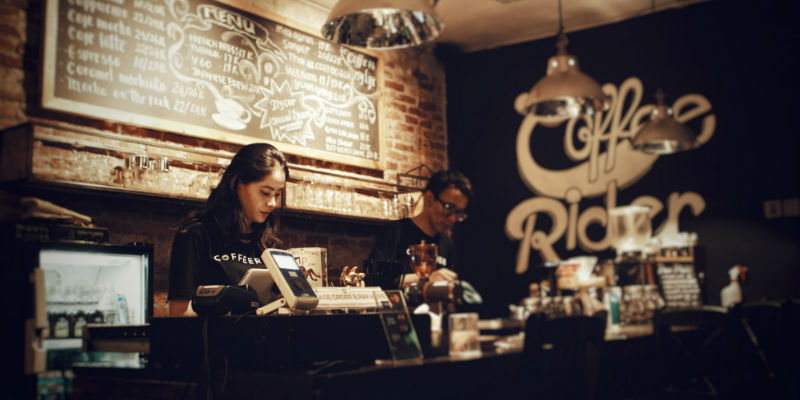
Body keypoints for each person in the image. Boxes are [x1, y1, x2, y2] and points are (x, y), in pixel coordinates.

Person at [167, 143, 288, 316]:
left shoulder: (269, 245)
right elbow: (178, 313)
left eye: (277, 194)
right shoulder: (196, 235)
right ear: (236, 184)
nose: (272, 203)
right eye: (265, 192)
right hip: (211, 341)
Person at [368, 169, 473, 289]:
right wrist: (427, 278)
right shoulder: (395, 231)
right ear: (429, 198)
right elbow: (374, 280)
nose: (453, 218)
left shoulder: (446, 243)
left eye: (459, 212)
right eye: (449, 207)